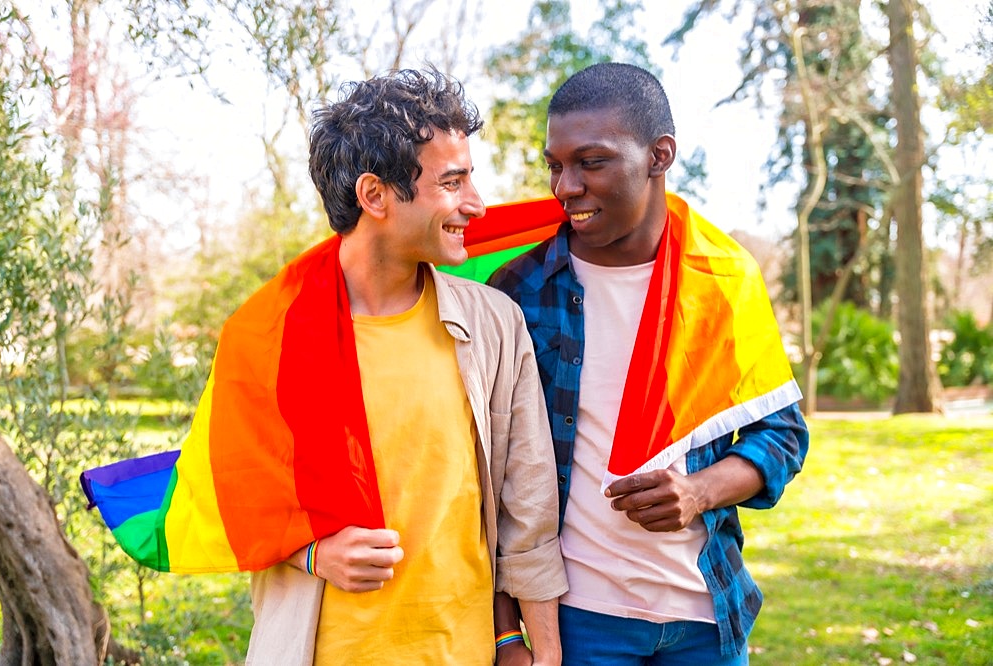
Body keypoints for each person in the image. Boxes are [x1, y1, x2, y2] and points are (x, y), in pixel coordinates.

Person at [488, 62, 809, 665]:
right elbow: (488, 474)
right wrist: (507, 634)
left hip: (705, 618)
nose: (564, 186)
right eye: (555, 165)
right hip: (579, 620)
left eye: (591, 161)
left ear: (659, 155)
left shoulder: (721, 281)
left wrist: (698, 491)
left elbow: (783, 433)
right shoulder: (520, 290)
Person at [245, 69, 567, 665]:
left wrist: (537, 647)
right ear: (375, 196)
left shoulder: (496, 323)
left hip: (464, 652)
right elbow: (234, 489)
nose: (476, 204)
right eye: (452, 182)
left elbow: (528, 503)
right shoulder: (272, 333)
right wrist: (311, 553)